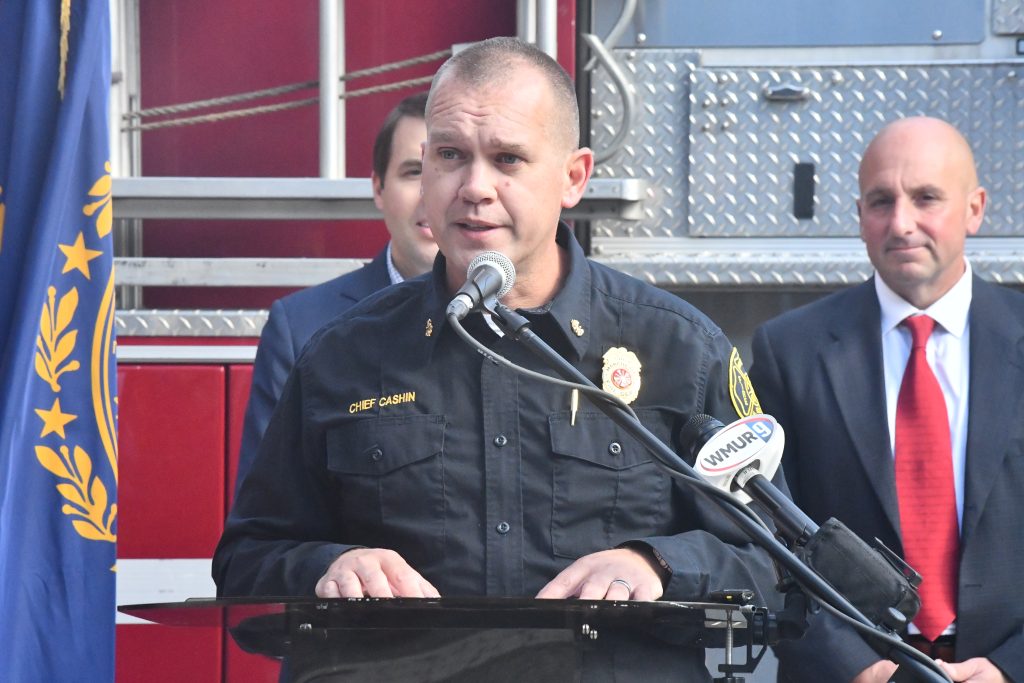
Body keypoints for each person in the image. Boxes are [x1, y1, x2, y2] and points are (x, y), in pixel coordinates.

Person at [214, 37, 783, 681]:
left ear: (573, 178)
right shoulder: (343, 354)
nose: (474, 188)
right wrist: (330, 567)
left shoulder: (680, 346)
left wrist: (656, 565)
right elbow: (246, 561)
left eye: (507, 158)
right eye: (450, 156)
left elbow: (775, 564)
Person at [750, 117, 1023, 683]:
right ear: (859, 215)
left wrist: (1007, 667)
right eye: (881, 201)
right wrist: (858, 668)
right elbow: (762, 536)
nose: (901, 223)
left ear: (974, 209)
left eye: (926, 198)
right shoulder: (791, 352)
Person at [233, 92, 435, 495]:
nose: (430, 194)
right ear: (378, 188)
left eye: (447, 168)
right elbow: (265, 518)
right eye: (413, 172)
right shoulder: (302, 329)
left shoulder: (528, 321)